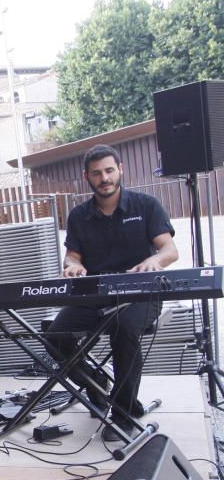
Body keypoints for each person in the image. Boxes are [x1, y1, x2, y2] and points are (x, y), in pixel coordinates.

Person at [46, 144, 178, 442]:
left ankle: (124, 413)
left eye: (108, 170)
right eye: (96, 173)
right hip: (95, 293)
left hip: (140, 293)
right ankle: (96, 384)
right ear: (87, 177)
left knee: (123, 326)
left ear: (120, 169)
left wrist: (154, 260)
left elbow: (169, 250)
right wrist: (73, 266)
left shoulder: (146, 205)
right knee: (55, 337)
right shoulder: (79, 215)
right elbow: (72, 256)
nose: (104, 177)